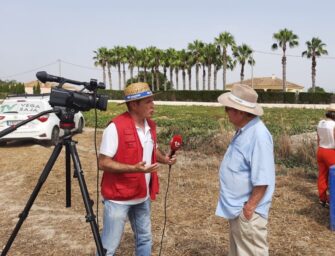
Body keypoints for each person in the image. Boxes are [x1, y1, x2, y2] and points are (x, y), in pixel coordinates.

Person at [98, 82, 177, 256]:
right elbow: (103, 163)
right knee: (109, 246)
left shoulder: (151, 126)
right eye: (148, 102)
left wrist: (165, 159)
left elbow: (150, 150)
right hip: (118, 198)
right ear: (134, 105)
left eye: (152, 101)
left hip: (142, 196)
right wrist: (133, 169)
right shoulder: (114, 128)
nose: (153, 105)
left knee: (145, 238)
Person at [215, 83, 275, 256]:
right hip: (239, 209)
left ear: (241, 111)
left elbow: (263, 178)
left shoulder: (258, 135)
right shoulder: (245, 131)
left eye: (229, 108)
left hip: (247, 212)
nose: (226, 112)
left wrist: (249, 208)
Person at [316, 103, 335, 208]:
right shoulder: (334, 125)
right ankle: (332, 199)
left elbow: (318, 139)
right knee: (334, 177)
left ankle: (323, 198)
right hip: (331, 152)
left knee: (322, 176)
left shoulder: (320, 123)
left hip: (321, 150)